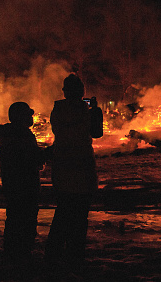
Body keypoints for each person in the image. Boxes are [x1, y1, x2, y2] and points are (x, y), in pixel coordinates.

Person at [45, 74, 102, 269]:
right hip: (82, 169)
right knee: (79, 217)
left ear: (64, 91)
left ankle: (52, 255)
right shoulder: (85, 111)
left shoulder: (57, 110)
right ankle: (74, 256)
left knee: (62, 214)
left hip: (62, 168)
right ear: (81, 92)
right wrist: (96, 111)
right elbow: (96, 133)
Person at [0, 102, 45, 265]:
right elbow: (31, 158)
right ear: (21, 117)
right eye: (29, 114)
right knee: (26, 222)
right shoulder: (22, 134)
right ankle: (21, 258)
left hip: (12, 184)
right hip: (25, 185)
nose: (31, 117)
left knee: (14, 220)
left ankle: (12, 255)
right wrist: (53, 151)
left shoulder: (8, 133)